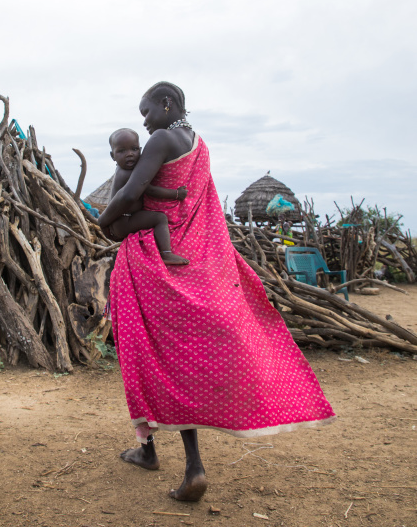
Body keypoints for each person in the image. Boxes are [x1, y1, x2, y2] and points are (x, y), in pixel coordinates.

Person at [98, 82, 335, 503]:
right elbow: (186, 203)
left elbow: (132, 193)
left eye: (147, 111)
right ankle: (182, 462)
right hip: (192, 260)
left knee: (144, 356)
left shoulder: (159, 140)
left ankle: (158, 453)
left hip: (150, 263)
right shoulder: (197, 143)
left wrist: (103, 224)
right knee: (180, 360)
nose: (144, 120)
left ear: (167, 105)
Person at [107, 127, 189, 265]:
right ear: (112, 155)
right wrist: (176, 194)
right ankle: (167, 254)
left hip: (122, 220)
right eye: (122, 151)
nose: (129, 154)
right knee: (160, 218)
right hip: (123, 221)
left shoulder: (124, 170)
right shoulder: (126, 174)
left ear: (141, 150)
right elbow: (150, 190)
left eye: (134, 149)